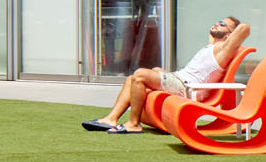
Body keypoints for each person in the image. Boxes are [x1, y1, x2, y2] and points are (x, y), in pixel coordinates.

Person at [84, 16, 252, 134]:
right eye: (217, 22)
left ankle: (134, 124)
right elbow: (214, 36)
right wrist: (219, 28)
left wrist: (231, 32)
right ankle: (111, 118)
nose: (216, 24)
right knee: (138, 76)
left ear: (229, 35)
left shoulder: (224, 50)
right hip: (181, 80)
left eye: (222, 24)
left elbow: (244, 28)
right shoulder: (212, 46)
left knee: (139, 75)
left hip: (188, 88)